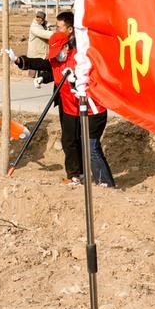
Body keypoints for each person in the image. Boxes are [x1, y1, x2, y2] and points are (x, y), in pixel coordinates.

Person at [49, 10, 114, 187]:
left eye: (59, 26)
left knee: (91, 146)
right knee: (83, 143)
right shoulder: (65, 48)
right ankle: (87, 177)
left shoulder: (82, 51)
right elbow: (51, 65)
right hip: (75, 106)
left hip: (92, 108)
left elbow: (92, 75)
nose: (56, 29)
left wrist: (76, 81)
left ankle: (105, 182)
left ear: (70, 29)